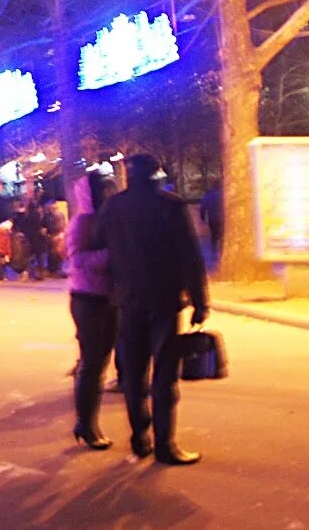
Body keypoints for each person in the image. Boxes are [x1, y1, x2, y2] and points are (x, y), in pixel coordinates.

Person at [88, 153, 210, 466]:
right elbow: (190, 257)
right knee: (165, 375)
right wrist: (199, 301)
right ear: (155, 175)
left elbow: (97, 242)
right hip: (165, 300)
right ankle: (166, 444)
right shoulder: (171, 205)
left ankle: (140, 437)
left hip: (127, 301)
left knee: (133, 373)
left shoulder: (113, 208)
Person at [66, 168, 118, 450]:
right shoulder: (82, 222)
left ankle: (86, 422)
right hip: (88, 298)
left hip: (110, 298)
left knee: (101, 361)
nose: (109, 196)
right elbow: (79, 259)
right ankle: (86, 424)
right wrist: (113, 254)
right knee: (92, 364)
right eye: (105, 191)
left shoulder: (110, 221)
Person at [199, 180, 223, 258]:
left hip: (212, 219)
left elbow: (203, 207)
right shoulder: (223, 194)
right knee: (222, 235)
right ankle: (222, 251)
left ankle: (214, 251)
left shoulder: (208, 195)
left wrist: (202, 217)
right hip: (222, 219)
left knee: (214, 236)